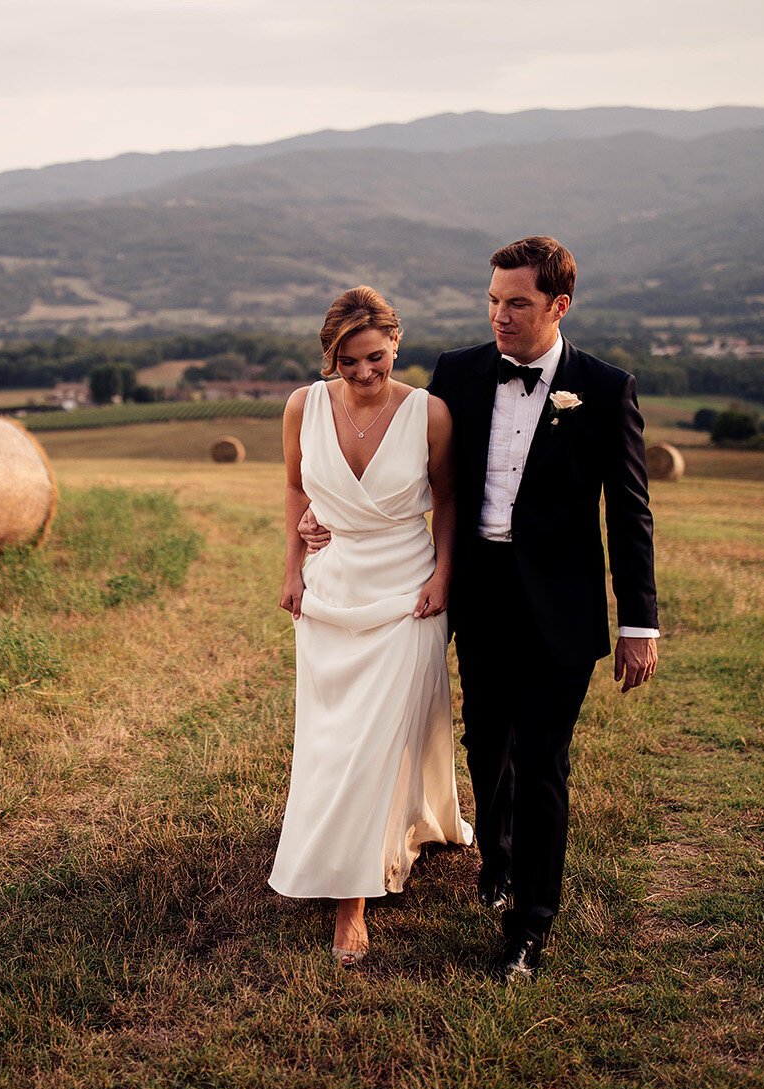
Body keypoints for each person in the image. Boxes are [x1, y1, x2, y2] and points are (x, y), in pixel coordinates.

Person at [302, 238, 659, 983]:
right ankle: (494, 861)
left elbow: (630, 512)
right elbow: (421, 478)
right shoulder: (458, 374)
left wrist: (638, 623)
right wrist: (329, 517)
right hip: (476, 593)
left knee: (542, 763)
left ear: (559, 306)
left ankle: (530, 924)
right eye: (493, 300)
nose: (500, 315)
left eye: (517, 303)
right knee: (485, 745)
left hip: (560, 606)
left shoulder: (604, 388)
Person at [268, 285, 473, 966]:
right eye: (347, 361)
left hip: (405, 591)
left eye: (376, 359)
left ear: (396, 346)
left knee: (379, 738)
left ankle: (350, 903)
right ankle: (388, 830)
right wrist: (294, 567)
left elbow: (446, 499)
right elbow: (297, 487)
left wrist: (442, 576)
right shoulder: (302, 405)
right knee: (333, 738)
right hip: (331, 589)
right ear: (330, 355)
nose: (362, 374)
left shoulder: (430, 413)